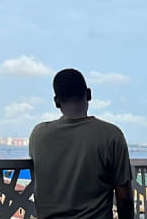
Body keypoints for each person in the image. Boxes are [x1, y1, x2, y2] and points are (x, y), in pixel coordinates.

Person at [29, 68, 133, 219]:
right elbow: (125, 198)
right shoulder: (111, 135)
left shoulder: (38, 134)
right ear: (89, 94)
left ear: (57, 102)